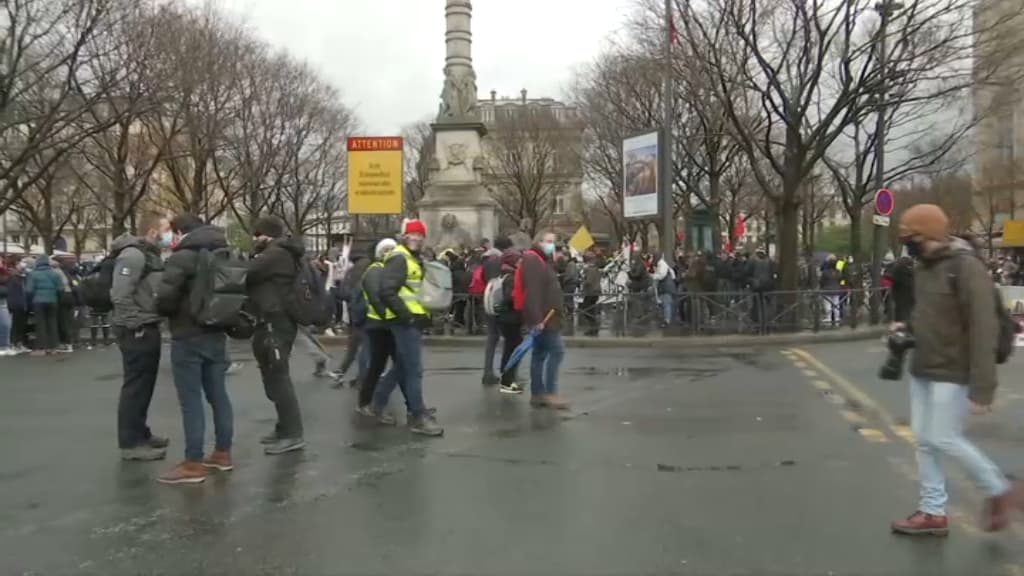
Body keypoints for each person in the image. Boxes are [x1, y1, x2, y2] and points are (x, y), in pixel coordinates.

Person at [890, 203, 1018, 536]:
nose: (908, 243)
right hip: (924, 367)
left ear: (929, 233)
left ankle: (998, 489)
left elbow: (983, 328)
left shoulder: (965, 268)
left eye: (912, 236)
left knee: (943, 438)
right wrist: (907, 328)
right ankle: (933, 512)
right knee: (925, 441)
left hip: (953, 370)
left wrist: (983, 387)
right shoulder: (924, 267)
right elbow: (929, 315)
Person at [155, 214, 233, 484]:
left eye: (171, 232)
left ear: (180, 232)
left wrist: (159, 306)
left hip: (188, 333)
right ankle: (223, 454)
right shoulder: (224, 253)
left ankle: (193, 463)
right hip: (217, 331)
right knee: (218, 395)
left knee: (191, 401)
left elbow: (166, 298)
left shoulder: (182, 257)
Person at [368, 219, 444, 436]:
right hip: (404, 321)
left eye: (420, 235)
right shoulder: (400, 258)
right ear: (405, 236)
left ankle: (377, 404)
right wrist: (406, 316)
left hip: (410, 319)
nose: (417, 238)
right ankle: (417, 417)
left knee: (402, 366)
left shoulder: (410, 258)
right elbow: (387, 291)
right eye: (413, 234)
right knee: (414, 369)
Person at [110, 213, 171, 461]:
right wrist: (135, 322)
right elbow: (120, 294)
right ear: (154, 231)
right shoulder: (133, 255)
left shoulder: (148, 255)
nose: (169, 235)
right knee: (135, 387)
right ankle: (130, 443)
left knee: (144, 386)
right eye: (166, 229)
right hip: (137, 329)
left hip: (147, 325)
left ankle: (140, 433)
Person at [247, 215, 307, 455]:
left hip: (275, 321)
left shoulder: (275, 254)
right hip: (270, 320)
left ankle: (293, 434)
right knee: (272, 376)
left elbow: (248, 273)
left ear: (267, 235)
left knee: (278, 376)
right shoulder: (277, 253)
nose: (254, 240)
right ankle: (284, 428)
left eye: (257, 235)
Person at [519, 231, 568, 410]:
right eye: (548, 241)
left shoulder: (541, 259)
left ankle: (538, 394)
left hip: (547, 316)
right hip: (545, 317)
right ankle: (550, 393)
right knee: (557, 352)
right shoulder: (533, 260)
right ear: (538, 241)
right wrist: (537, 318)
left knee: (539, 355)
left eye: (553, 242)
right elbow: (533, 291)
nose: (551, 245)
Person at [481, 237, 512, 386]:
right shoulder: (505, 262)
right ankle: (508, 372)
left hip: (489, 301)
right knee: (509, 338)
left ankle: (487, 372)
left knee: (492, 338)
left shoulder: (488, 262)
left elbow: (482, 278)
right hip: (503, 302)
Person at [495, 249, 524, 394]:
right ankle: (507, 381)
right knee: (513, 350)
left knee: (510, 348)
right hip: (511, 318)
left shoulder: (504, 274)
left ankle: (507, 378)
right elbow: (510, 297)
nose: (520, 262)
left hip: (506, 318)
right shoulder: (511, 277)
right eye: (518, 260)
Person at [26, 256, 63, 355]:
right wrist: (56, 297)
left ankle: (42, 348)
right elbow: (60, 289)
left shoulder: (33, 275)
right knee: (52, 323)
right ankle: (54, 347)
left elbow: (29, 290)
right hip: (53, 300)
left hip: (38, 301)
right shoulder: (55, 274)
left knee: (41, 324)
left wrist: (31, 299)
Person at [7, 261, 29, 353]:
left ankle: (19, 344)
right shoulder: (13, 278)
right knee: (15, 325)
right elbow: (12, 293)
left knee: (20, 325)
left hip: (22, 305)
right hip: (16, 304)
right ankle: (13, 344)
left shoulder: (23, 278)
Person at [580, 253, 602, 336]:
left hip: (591, 292)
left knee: (586, 309)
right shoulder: (595, 268)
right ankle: (593, 328)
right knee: (590, 310)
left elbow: (589, 281)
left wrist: (582, 282)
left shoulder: (590, 269)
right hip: (595, 291)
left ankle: (593, 327)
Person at [652, 252, 677, 327]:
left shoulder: (661, 264)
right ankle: (666, 319)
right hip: (666, 286)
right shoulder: (662, 264)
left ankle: (667, 320)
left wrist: (654, 276)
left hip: (666, 286)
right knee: (665, 303)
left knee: (666, 304)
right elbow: (673, 276)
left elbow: (661, 275)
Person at [0, 261, 10, 356]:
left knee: (5, 324)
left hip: (2, 301)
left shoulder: (4, 272)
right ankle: (3, 346)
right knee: (5, 324)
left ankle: (3, 346)